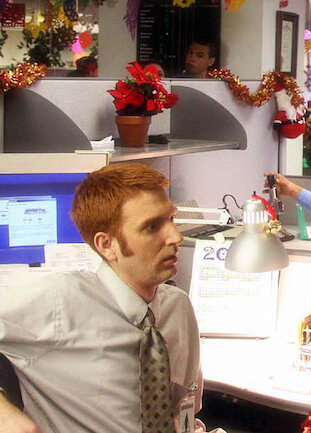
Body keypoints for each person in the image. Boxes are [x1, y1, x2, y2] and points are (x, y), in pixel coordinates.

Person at [0, 163, 207, 433]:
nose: (176, 237)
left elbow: (187, 408)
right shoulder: (59, 300)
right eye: (152, 226)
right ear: (107, 245)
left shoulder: (178, 306)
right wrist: (5, 415)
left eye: (171, 219)